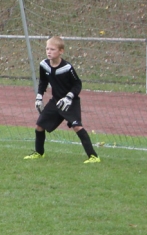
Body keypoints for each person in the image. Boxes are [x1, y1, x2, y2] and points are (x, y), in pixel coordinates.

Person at [26, 35, 100, 164]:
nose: (49, 52)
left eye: (52, 49)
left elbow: (77, 84)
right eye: (47, 49)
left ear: (61, 51)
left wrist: (69, 97)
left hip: (70, 102)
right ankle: (39, 153)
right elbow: (43, 81)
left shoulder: (67, 68)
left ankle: (93, 156)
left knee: (77, 126)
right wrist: (39, 97)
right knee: (39, 126)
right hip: (56, 101)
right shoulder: (44, 65)